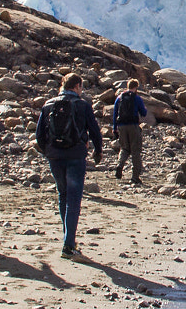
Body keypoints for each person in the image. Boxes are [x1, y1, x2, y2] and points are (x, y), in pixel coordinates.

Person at [37, 72, 104, 256]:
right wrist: (98, 151)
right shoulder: (82, 105)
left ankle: (68, 238)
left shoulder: (48, 105)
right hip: (75, 156)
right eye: (81, 87)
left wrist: (48, 151)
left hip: (55, 157)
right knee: (74, 199)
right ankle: (68, 244)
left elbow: (39, 134)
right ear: (76, 86)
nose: (82, 91)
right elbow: (95, 131)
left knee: (63, 195)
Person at [111, 78, 149, 183]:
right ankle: (135, 177)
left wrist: (115, 129)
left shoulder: (119, 98)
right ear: (136, 87)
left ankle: (119, 165)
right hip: (133, 126)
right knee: (135, 150)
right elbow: (144, 113)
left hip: (121, 126)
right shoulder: (137, 98)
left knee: (124, 148)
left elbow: (115, 114)